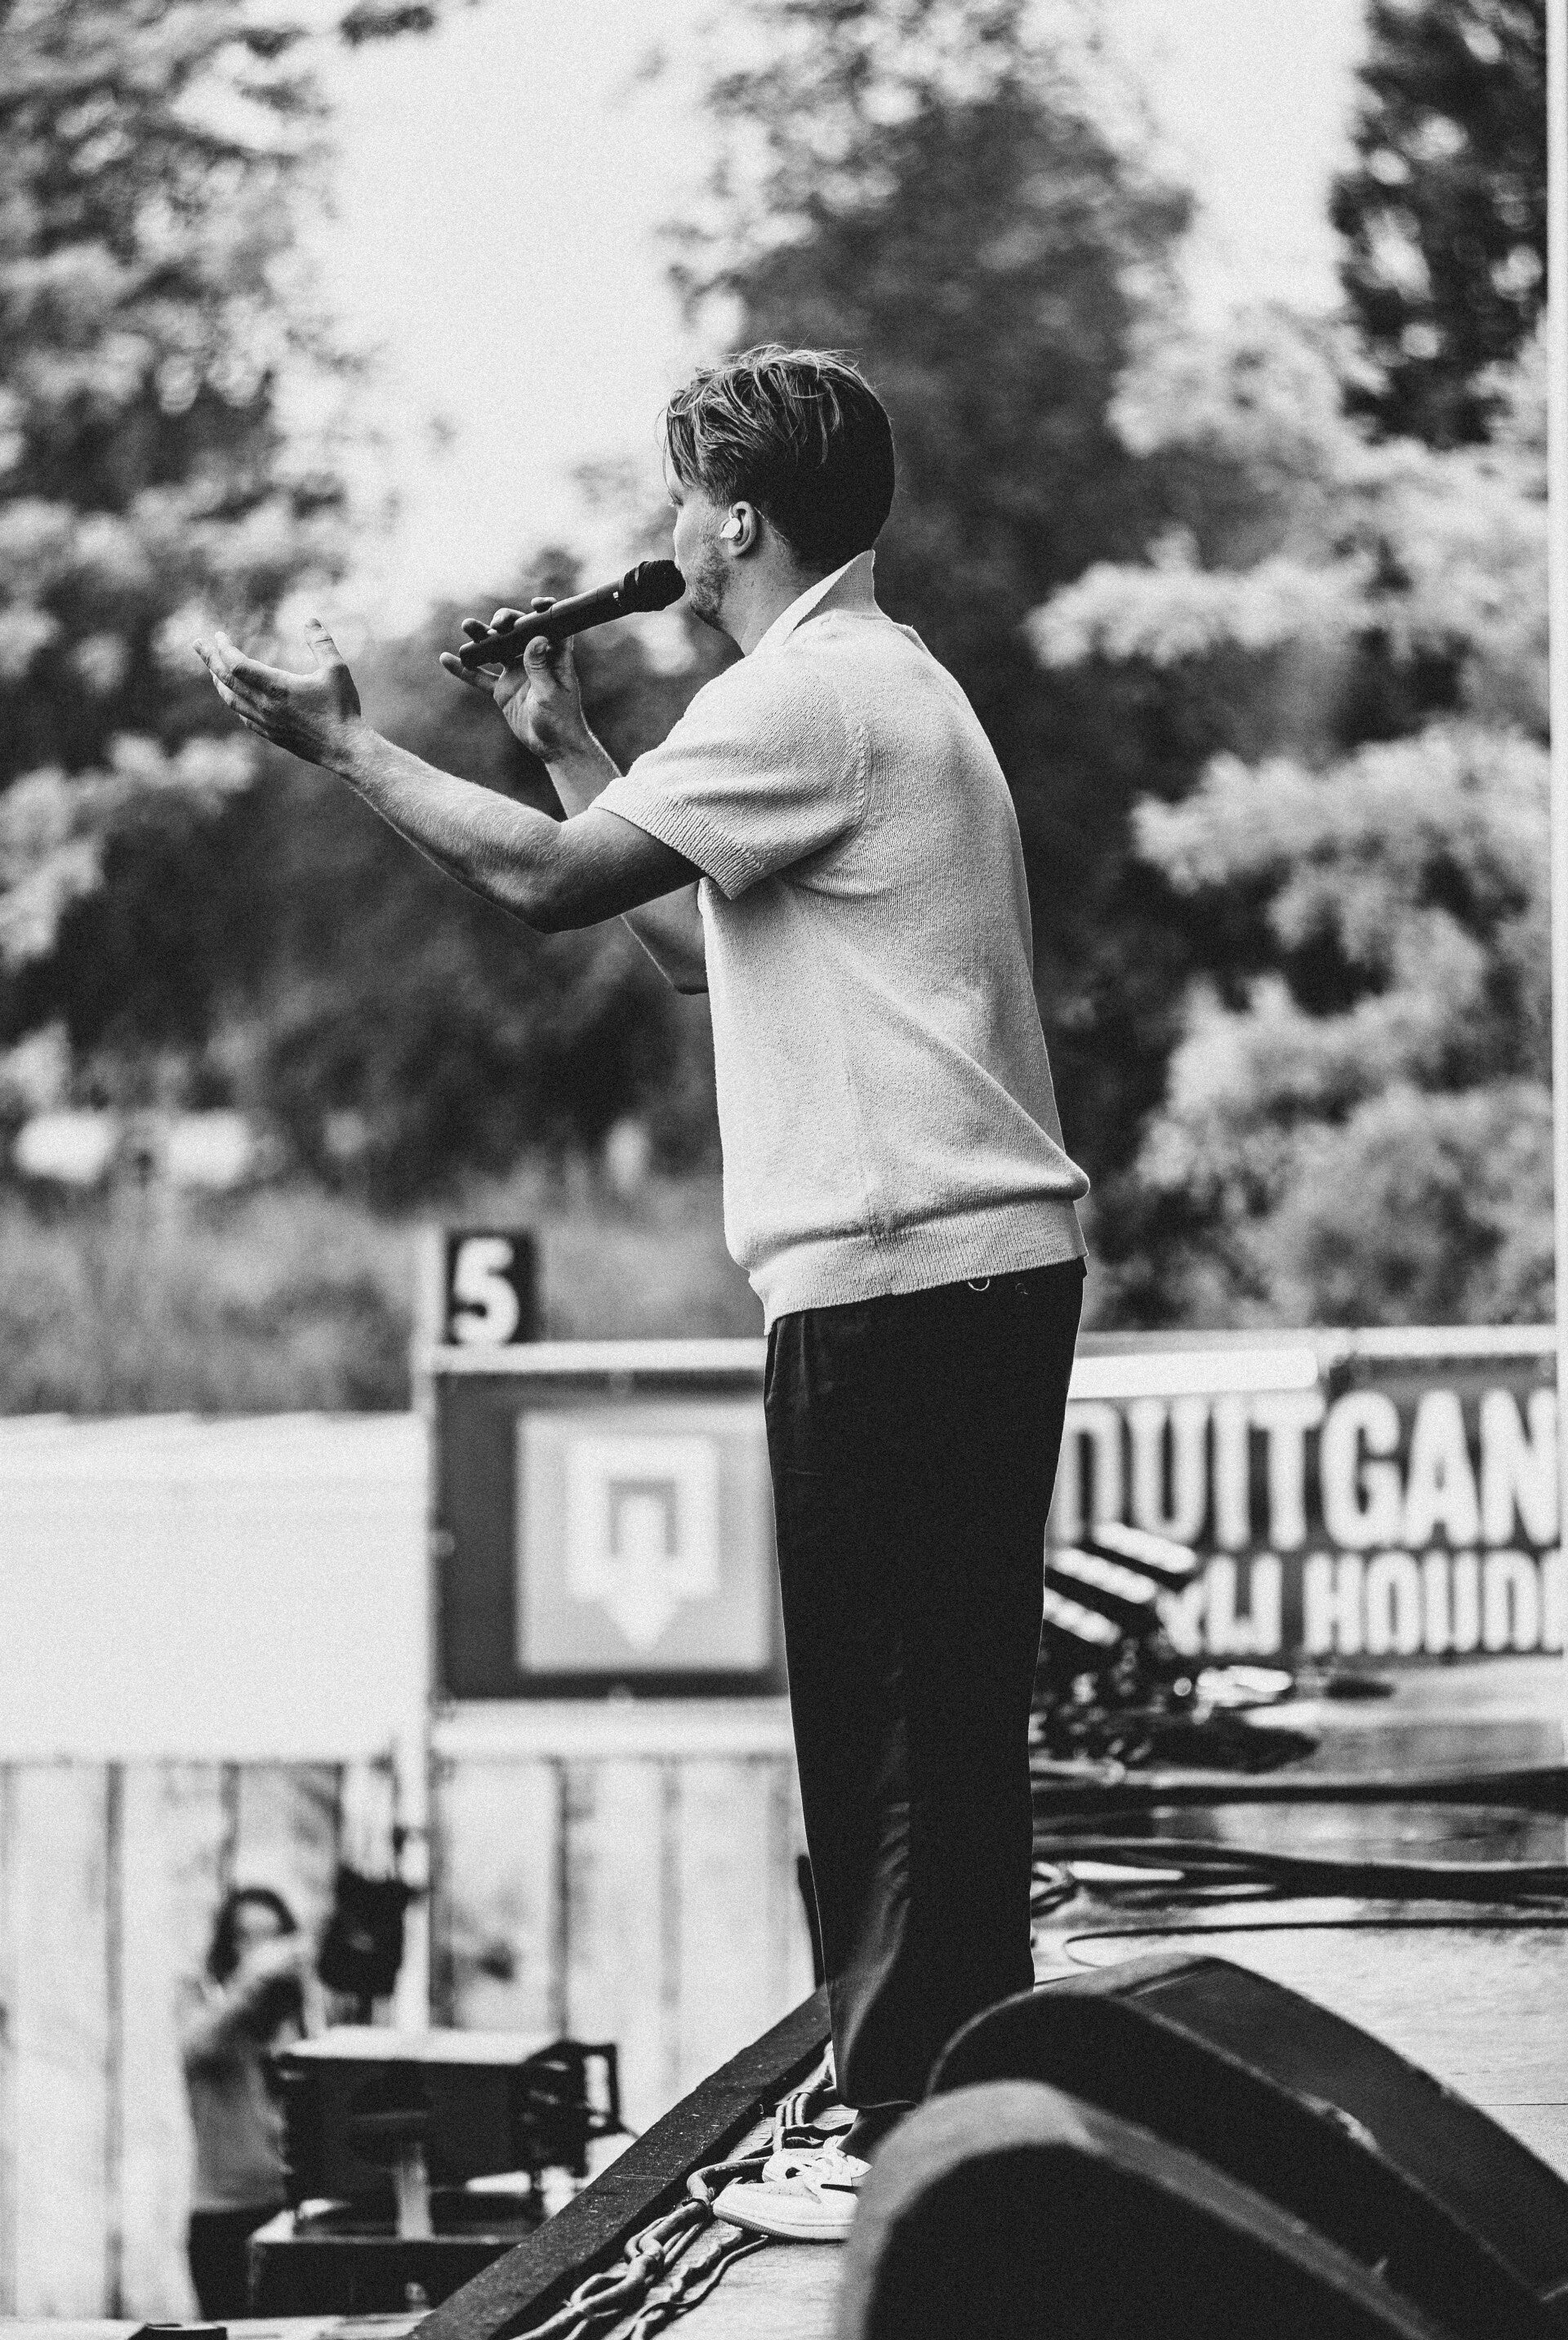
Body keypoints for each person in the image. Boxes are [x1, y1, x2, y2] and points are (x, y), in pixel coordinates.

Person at [195, 345, 1089, 2241]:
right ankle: (944, 2105)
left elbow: (545, 889)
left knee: (889, 1727)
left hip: (903, 1276)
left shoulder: (803, 696)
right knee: (926, 1719)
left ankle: (903, 2126)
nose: (670, 524)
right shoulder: (870, 684)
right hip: (956, 1272)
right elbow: (691, 946)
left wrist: (344, 747)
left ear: (737, 524)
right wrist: (564, 739)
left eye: (689, 495)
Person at [180, 1885, 314, 2315]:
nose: (260, 1949)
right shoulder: (204, 1998)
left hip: (289, 2208)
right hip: (224, 2210)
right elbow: (196, 2047)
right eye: (246, 1936)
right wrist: (251, 1979)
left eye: (271, 1937)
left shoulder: (293, 2014)